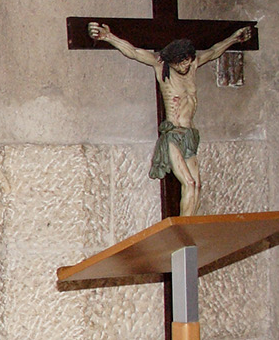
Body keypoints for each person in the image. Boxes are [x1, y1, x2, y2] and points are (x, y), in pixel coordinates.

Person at [87, 21, 251, 215]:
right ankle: (184, 227)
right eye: (178, 64)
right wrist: (107, 36)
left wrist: (234, 38)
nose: (183, 66)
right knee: (188, 182)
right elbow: (134, 52)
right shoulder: (161, 66)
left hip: (189, 134)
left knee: (197, 185)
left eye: (185, 61)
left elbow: (214, 51)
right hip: (173, 135)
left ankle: (191, 224)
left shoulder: (193, 64)